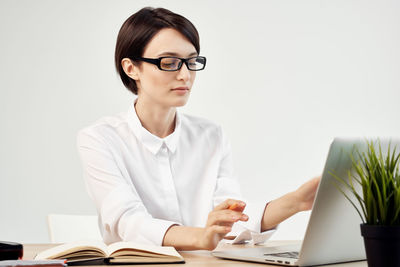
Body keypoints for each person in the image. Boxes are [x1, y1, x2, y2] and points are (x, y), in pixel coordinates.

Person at [77, 7, 320, 251]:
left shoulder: (211, 135)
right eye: (169, 62)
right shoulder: (100, 139)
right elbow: (127, 221)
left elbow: (228, 218)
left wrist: (295, 202)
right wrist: (200, 237)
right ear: (131, 68)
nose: (185, 75)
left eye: (191, 61)